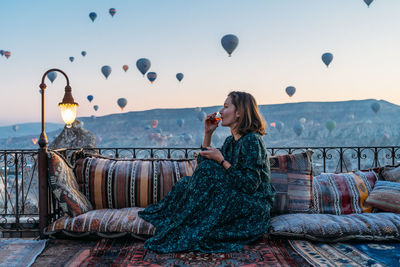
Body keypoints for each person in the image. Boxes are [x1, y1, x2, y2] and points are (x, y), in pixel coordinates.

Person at [138, 91, 275, 253]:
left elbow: (249, 185)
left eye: (225, 107)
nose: (221, 112)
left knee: (208, 173)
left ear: (239, 112)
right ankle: (186, 224)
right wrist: (208, 133)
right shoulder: (231, 142)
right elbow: (202, 166)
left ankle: (186, 224)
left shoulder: (252, 140)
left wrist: (221, 161)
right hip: (235, 196)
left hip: (252, 207)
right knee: (184, 184)